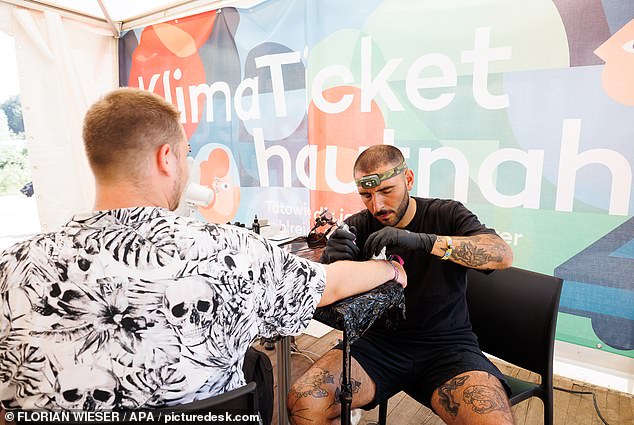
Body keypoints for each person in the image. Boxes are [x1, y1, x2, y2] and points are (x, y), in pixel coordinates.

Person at [0, 88, 406, 412]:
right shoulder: (234, 252)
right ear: (166, 158)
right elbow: (330, 284)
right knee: (258, 369)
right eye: (187, 155)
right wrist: (389, 270)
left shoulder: (12, 267)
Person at [288, 145, 515, 425]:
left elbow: (501, 254)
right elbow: (333, 299)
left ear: (408, 179)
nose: (377, 205)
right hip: (378, 345)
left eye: (386, 191)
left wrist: (425, 241)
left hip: (447, 347)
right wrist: (330, 265)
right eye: (366, 195)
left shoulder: (446, 214)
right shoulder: (358, 226)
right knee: (304, 403)